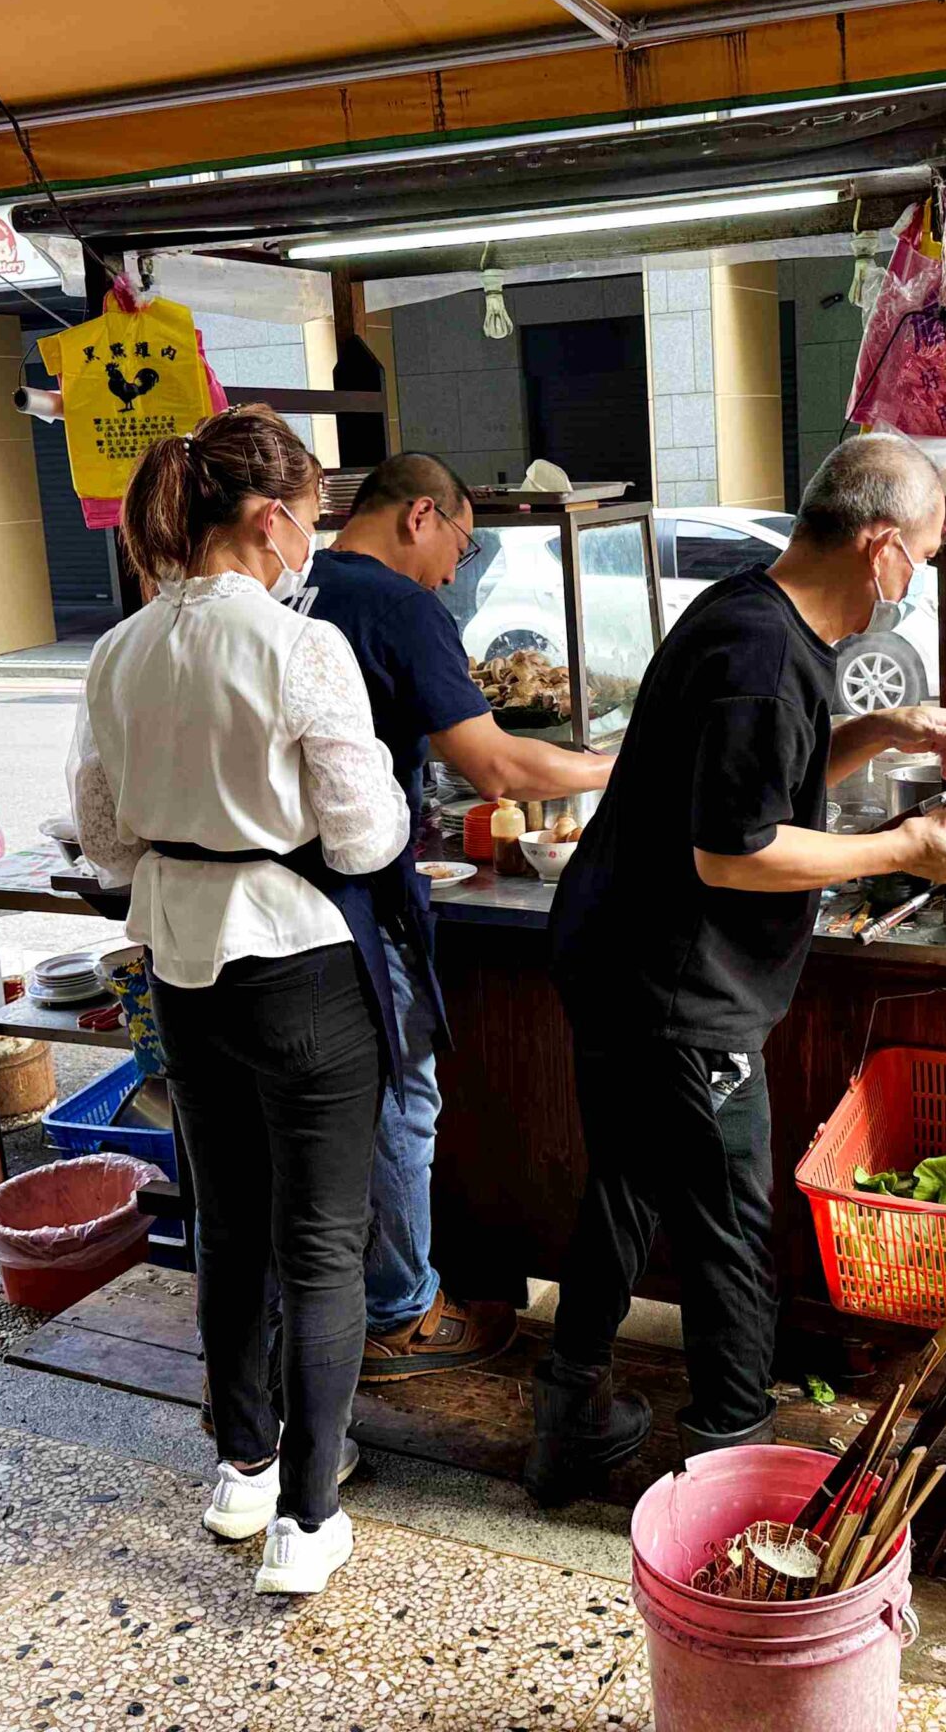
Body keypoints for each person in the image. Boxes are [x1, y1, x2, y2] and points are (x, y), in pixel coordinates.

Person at [526, 433, 946, 1503]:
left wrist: (875, 731)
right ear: (880, 546)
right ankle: (728, 1460)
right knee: (726, 1219)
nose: (920, 579)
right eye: (927, 555)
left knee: (624, 1183)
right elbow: (735, 848)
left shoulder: (749, 614)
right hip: (676, 989)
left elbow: (755, 777)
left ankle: (568, 1413)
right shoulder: (760, 657)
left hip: (615, 957)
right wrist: (907, 850)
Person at [67, 405, 411, 1597]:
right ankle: (307, 1525)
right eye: (310, 516)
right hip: (303, 964)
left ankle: (242, 1472)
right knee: (320, 1246)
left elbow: (106, 841)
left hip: (184, 966)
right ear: (270, 519)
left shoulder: (120, 649)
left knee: (227, 1222)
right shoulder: (298, 647)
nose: (310, 537)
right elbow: (364, 839)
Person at [304, 453, 614, 1380]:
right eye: (461, 546)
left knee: (325, 1116)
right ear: (420, 517)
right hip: (360, 899)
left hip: (283, 901)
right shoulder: (402, 607)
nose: (456, 571)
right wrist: (612, 767)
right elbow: (498, 768)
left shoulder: (289, 586)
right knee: (405, 1094)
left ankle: (341, 1307)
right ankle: (403, 1312)